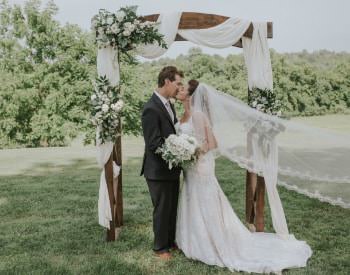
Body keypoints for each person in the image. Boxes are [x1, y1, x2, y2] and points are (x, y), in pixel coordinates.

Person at [175, 80, 312, 274]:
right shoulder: (185, 114)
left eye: (182, 89)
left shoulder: (197, 115)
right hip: (190, 167)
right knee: (193, 199)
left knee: (204, 200)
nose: (178, 91)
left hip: (200, 165)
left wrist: (190, 151)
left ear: (191, 95)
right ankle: (193, 238)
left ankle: (211, 242)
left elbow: (211, 144)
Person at [140, 66, 183, 260]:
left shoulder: (169, 104)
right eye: (178, 83)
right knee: (162, 209)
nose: (179, 87)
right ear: (167, 81)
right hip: (157, 170)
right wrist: (177, 153)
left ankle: (170, 241)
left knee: (172, 207)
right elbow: (153, 143)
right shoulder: (150, 108)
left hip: (172, 168)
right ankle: (160, 248)